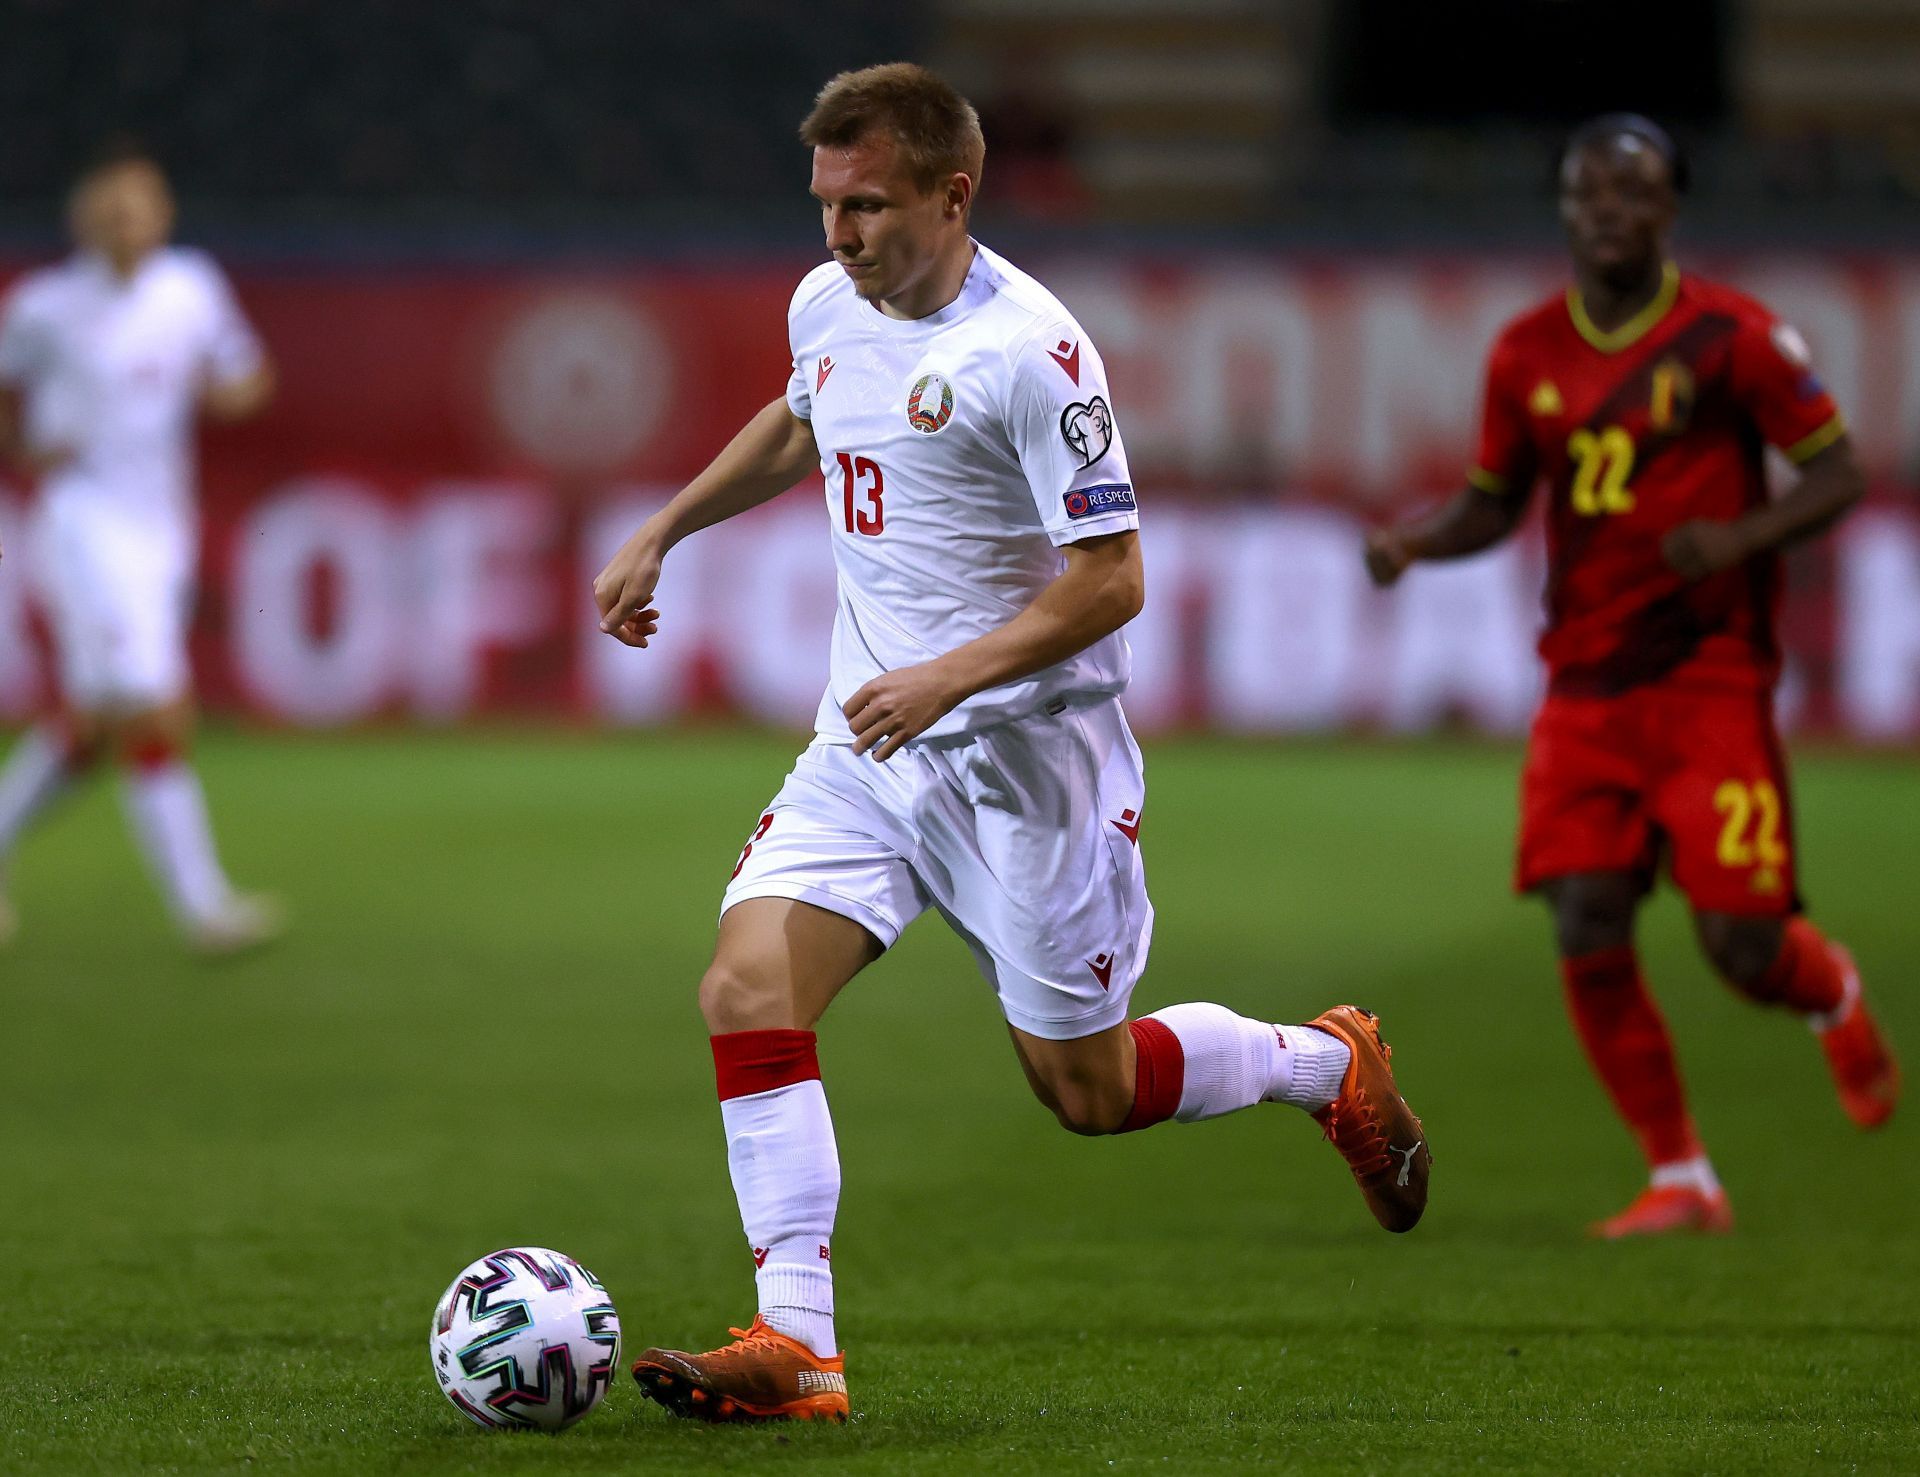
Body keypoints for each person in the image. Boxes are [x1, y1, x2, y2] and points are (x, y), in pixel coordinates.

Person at [593, 63, 1431, 1425]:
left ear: (952, 192)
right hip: (871, 741)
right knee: (747, 984)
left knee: (1086, 1092)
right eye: (824, 206)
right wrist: (664, 526)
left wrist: (948, 679)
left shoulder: (1035, 355)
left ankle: (1323, 1064)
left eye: (867, 207)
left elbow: (1113, 579)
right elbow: (803, 419)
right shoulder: (828, 303)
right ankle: (799, 1340)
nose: (839, 237)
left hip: (1031, 766)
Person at [1365, 114, 1898, 1239]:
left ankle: (1831, 991)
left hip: (1710, 679)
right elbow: (1498, 500)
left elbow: (1839, 471)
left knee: (1741, 945)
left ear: (1669, 210)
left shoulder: (1731, 339)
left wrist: (1740, 537)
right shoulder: (1525, 353)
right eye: (1589, 191)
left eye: (1634, 192)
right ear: (1564, 207)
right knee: (1587, 919)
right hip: (1585, 688)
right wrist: (1417, 540)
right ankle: (1681, 1175)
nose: (1610, 209)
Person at [0, 139, 280, 954]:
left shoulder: (190, 288)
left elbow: (247, 375)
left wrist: (223, 390)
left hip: (160, 526)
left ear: (163, 214)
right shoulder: (45, 306)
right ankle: (205, 910)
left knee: (92, 725)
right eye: (112, 208)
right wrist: (21, 450)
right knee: (155, 702)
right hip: (82, 521)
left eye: (141, 206)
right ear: (84, 219)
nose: (128, 222)